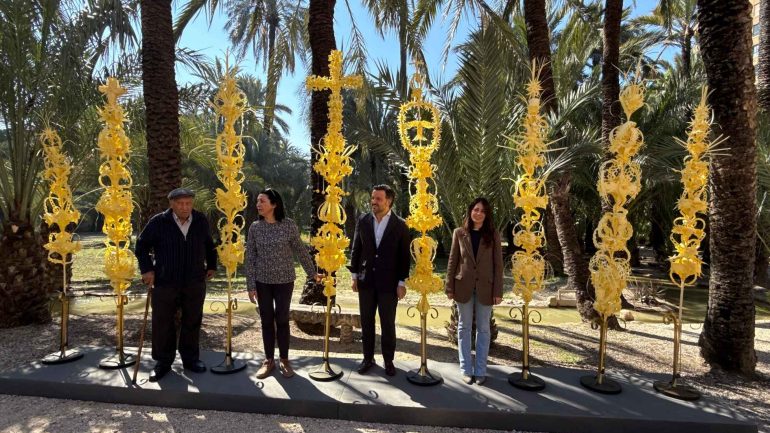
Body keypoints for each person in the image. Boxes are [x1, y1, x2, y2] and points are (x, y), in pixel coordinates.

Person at [135, 188, 217, 382]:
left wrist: (212, 265)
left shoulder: (200, 220)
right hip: (165, 281)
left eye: (188, 203)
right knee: (163, 322)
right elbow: (141, 246)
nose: (185, 207)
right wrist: (147, 270)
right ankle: (163, 362)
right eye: (180, 204)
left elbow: (209, 244)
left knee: (192, 320)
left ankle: (190, 359)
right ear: (171, 204)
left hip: (194, 280)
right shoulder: (158, 222)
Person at [245, 188, 320, 379]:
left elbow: (301, 251)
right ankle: (268, 360)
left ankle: (284, 360)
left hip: (285, 281)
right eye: (258, 201)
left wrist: (312, 273)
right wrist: (250, 285)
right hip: (262, 282)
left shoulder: (288, 226)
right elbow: (250, 257)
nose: (258, 205)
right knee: (266, 320)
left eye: (262, 201)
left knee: (282, 319)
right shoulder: (255, 227)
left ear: (274, 204)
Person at [349, 184, 411, 377]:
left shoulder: (400, 225)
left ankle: (388, 360)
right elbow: (356, 248)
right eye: (373, 198)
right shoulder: (363, 220)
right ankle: (368, 358)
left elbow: (404, 257)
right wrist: (354, 276)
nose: (373, 202)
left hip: (389, 283)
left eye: (378, 199)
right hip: (366, 280)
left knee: (387, 323)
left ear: (388, 201)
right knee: (366, 322)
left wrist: (401, 282)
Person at [445, 197, 504, 385]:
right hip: (463, 286)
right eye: (475, 209)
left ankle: (480, 371)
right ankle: (466, 369)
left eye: (482, 211)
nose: (478, 213)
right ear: (470, 211)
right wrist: (449, 287)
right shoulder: (459, 233)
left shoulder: (493, 234)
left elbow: (498, 264)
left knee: (484, 329)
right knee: (463, 328)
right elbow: (453, 261)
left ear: (486, 215)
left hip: (486, 288)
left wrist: (498, 290)